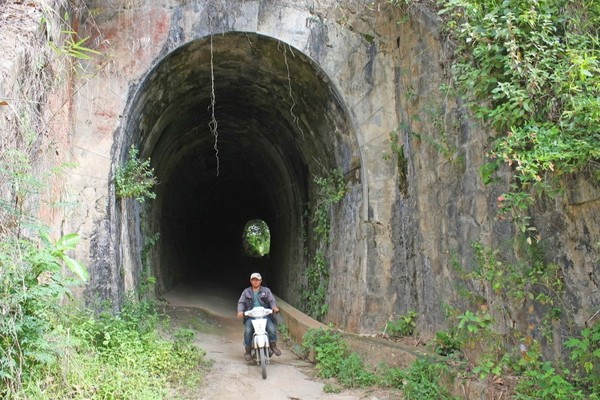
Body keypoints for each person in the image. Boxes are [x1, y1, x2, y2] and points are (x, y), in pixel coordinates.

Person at [237, 272, 281, 361]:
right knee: (248, 331)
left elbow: (271, 300)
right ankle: (248, 351)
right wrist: (240, 311)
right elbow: (241, 302)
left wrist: (274, 307)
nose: (255, 282)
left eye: (257, 280)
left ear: (260, 281)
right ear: (250, 281)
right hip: (251, 316)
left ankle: (273, 346)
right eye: (253, 280)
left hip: (264, 315)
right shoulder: (246, 292)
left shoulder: (266, 291)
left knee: (271, 329)